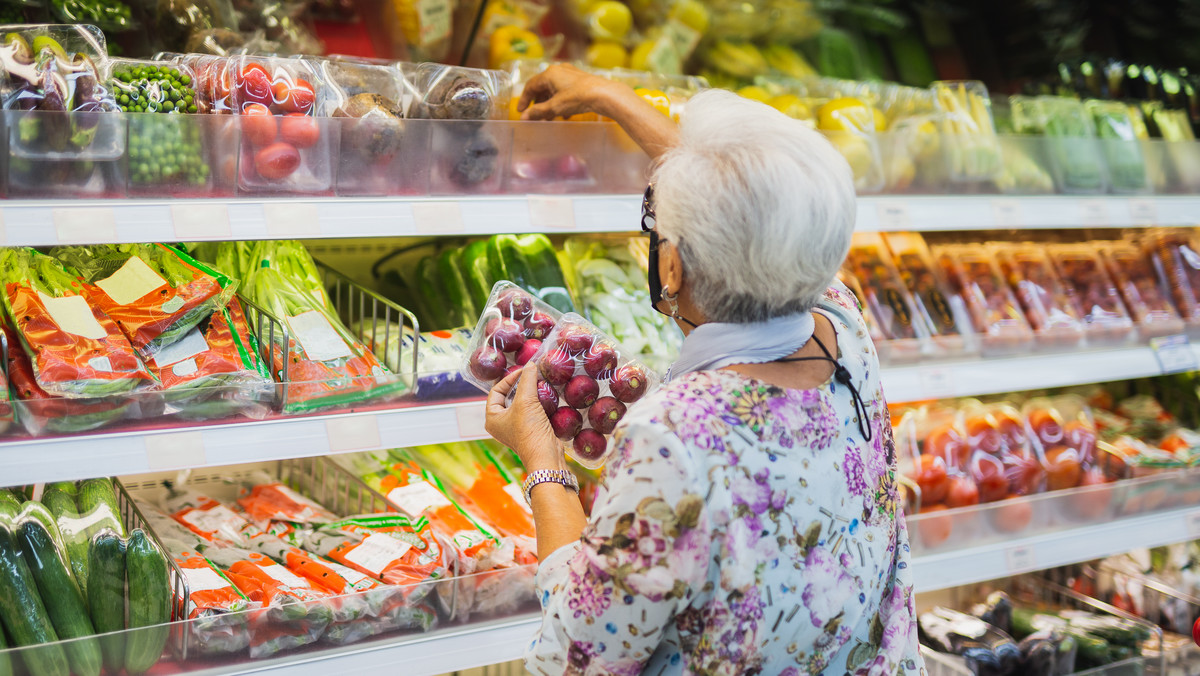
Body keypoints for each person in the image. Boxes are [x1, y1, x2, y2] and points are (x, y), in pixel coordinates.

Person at [485, 63, 924, 676]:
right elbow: (761, 210)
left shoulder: (672, 439)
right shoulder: (842, 321)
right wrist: (611, 98)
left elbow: (578, 657)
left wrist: (542, 464)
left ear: (672, 269)